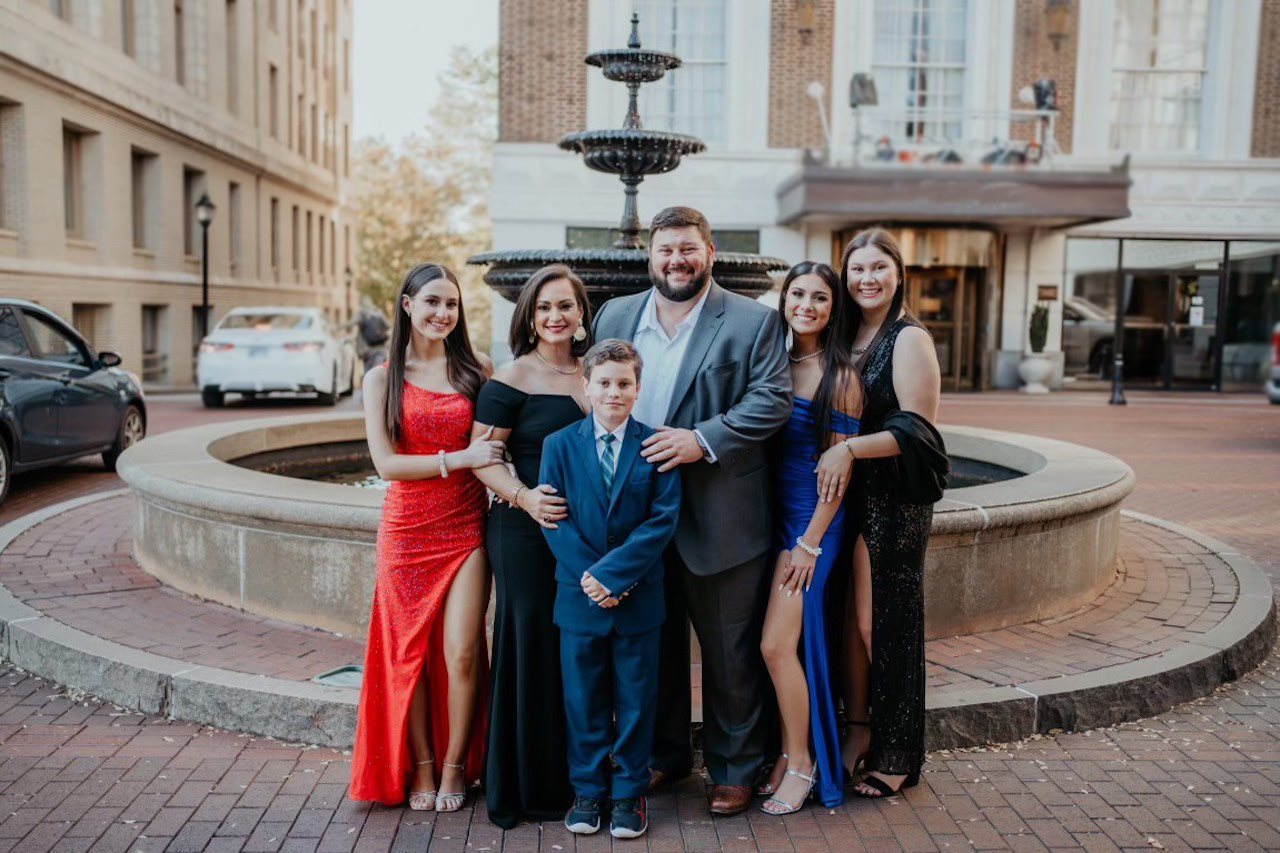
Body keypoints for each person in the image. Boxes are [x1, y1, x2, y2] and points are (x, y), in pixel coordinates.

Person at [592, 206, 792, 816]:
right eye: (664, 251)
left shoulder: (754, 321)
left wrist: (700, 439)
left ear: (709, 252)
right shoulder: (615, 314)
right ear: (649, 258)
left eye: (687, 249)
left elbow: (772, 399)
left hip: (721, 512)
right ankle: (665, 754)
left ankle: (735, 768)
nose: (675, 260)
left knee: (729, 650)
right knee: (652, 647)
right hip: (638, 516)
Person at [349, 263, 502, 811]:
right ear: (407, 305)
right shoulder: (381, 377)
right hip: (406, 530)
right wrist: (460, 457)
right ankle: (420, 767)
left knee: (463, 651)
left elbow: (502, 443)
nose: (443, 313)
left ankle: (458, 765)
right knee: (407, 652)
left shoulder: (477, 372)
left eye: (453, 305)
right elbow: (387, 464)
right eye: (433, 301)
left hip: (464, 526)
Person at [813, 229, 948, 798]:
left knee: (882, 626)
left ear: (898, 274)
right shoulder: (844, 333)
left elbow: (918, 432)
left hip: (893, 497)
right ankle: (858, 732)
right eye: (857, 269)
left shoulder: (908, 338)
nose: (866, 279)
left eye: (878, 268)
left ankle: (898, 751)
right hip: (844, 497)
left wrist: (848, 448)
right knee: (848, 623)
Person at [538, 339, 681, 839]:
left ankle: (629, 794)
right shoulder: (559, 446)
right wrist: (593, 579)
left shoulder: (655, 445)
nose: (614, 392)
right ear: (587, 387)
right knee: (584, 699)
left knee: (638, 699)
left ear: (638, 389)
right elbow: (554, 521)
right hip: (578, 599)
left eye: (624, 383)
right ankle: (588, 790)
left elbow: (662, 521)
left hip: (639, 596)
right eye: (604, 383)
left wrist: (616, 577)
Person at [470, 264, 592, 828]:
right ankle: (521, 785)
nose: (555, 316)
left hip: (582, 533)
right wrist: (524, 498)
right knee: (529, 643)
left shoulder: (597, 375)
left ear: (581, 313)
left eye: (565, 305)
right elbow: (483, 460)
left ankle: (576, 777)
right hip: (521, 529)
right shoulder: (511, 379)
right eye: (544, 307)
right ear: (529, 315)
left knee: (575, 647)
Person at [757, 262, 861, 814]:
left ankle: (803, 762)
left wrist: (811, 544)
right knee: (784, 647)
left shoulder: (840, 375)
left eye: (820, 298)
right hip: (774, 517)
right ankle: (785, 753)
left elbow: (838, 477)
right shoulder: (773, 359)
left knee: (776, 645)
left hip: (812, 522)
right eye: (798, 294)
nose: (807, 306)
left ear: (832, 307)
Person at [355, 295, 391, 371]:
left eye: (367, 303)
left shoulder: (378, 314)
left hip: (379, 348)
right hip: (368, 350)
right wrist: (359, 350)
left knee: (376, 370)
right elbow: (359, 334)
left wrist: (385, 335)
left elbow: (388, 326)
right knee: (368, 373)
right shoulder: (363, 318)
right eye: (364, 304)